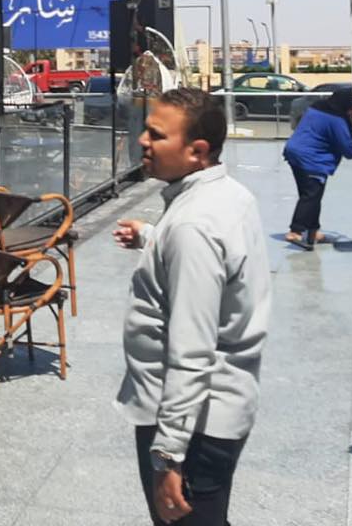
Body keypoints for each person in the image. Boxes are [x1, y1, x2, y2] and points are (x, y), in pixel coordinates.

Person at [114, 88, 271, 526]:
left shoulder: (191, 227)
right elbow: (216, 264)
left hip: (193, 425)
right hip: (216, 410)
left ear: (197, 151)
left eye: (157, 135)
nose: (143, 141)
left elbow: (192, 352)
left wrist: (168, 455)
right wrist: (152, 237)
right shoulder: (228, 195)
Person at [282, 88, 352, 249]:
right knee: (311, 196)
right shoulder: (336, 119)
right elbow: (345, 146)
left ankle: (313, 231)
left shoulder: (317, 108)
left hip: (294, 153)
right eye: (351, 109)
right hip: (312, 158)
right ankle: (295, 231)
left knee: (311, 196)